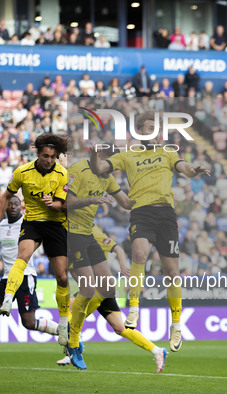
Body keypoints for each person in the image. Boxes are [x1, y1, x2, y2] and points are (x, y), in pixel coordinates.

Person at [89, 112, 210, 353]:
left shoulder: (167, 152)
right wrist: (94, 154)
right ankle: (133, 307)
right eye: (147, 129)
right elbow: (100, 167)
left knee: (172, 272)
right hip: (141, 212)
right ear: (140, 133)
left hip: (166, 214)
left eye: (155, 129)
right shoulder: (127, 154)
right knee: (140, 255)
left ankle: (176, 325)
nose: (153, 133)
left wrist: (193, 169)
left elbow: (183, 166)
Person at [63, 150, 169, 371]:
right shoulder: (78, 169)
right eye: (108, 163)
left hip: (86, 236)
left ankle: (71, 336)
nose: (111, 169)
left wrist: (148, 195)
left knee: (109, 298)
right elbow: (67, 202)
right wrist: (93, 199)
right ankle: (72, 342)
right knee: (87, 292)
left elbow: (127, 203)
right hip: (71, 234)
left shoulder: (107, 179)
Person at [0, 196, 61, 372]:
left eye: (16, 204)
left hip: (25, 277)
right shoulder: (2, 225)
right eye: (10, 204)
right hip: (7, 279)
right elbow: (0, 247)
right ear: (5, 207)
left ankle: (66, 331)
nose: (13, 206)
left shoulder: (28, 224)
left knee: (28, 323)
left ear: (21, 207)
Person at [0, 133, 69, 346]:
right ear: (38, 154)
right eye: (45, 156)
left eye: (53, 156)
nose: (49, 160)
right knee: (22, 256)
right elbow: (6, 196)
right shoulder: (22, 172)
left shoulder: (62, 173)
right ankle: (7, 299)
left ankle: (63, 324)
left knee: (62, 277)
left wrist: (56, 204)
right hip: (32, 222)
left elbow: (68, 205)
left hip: (55, 224)